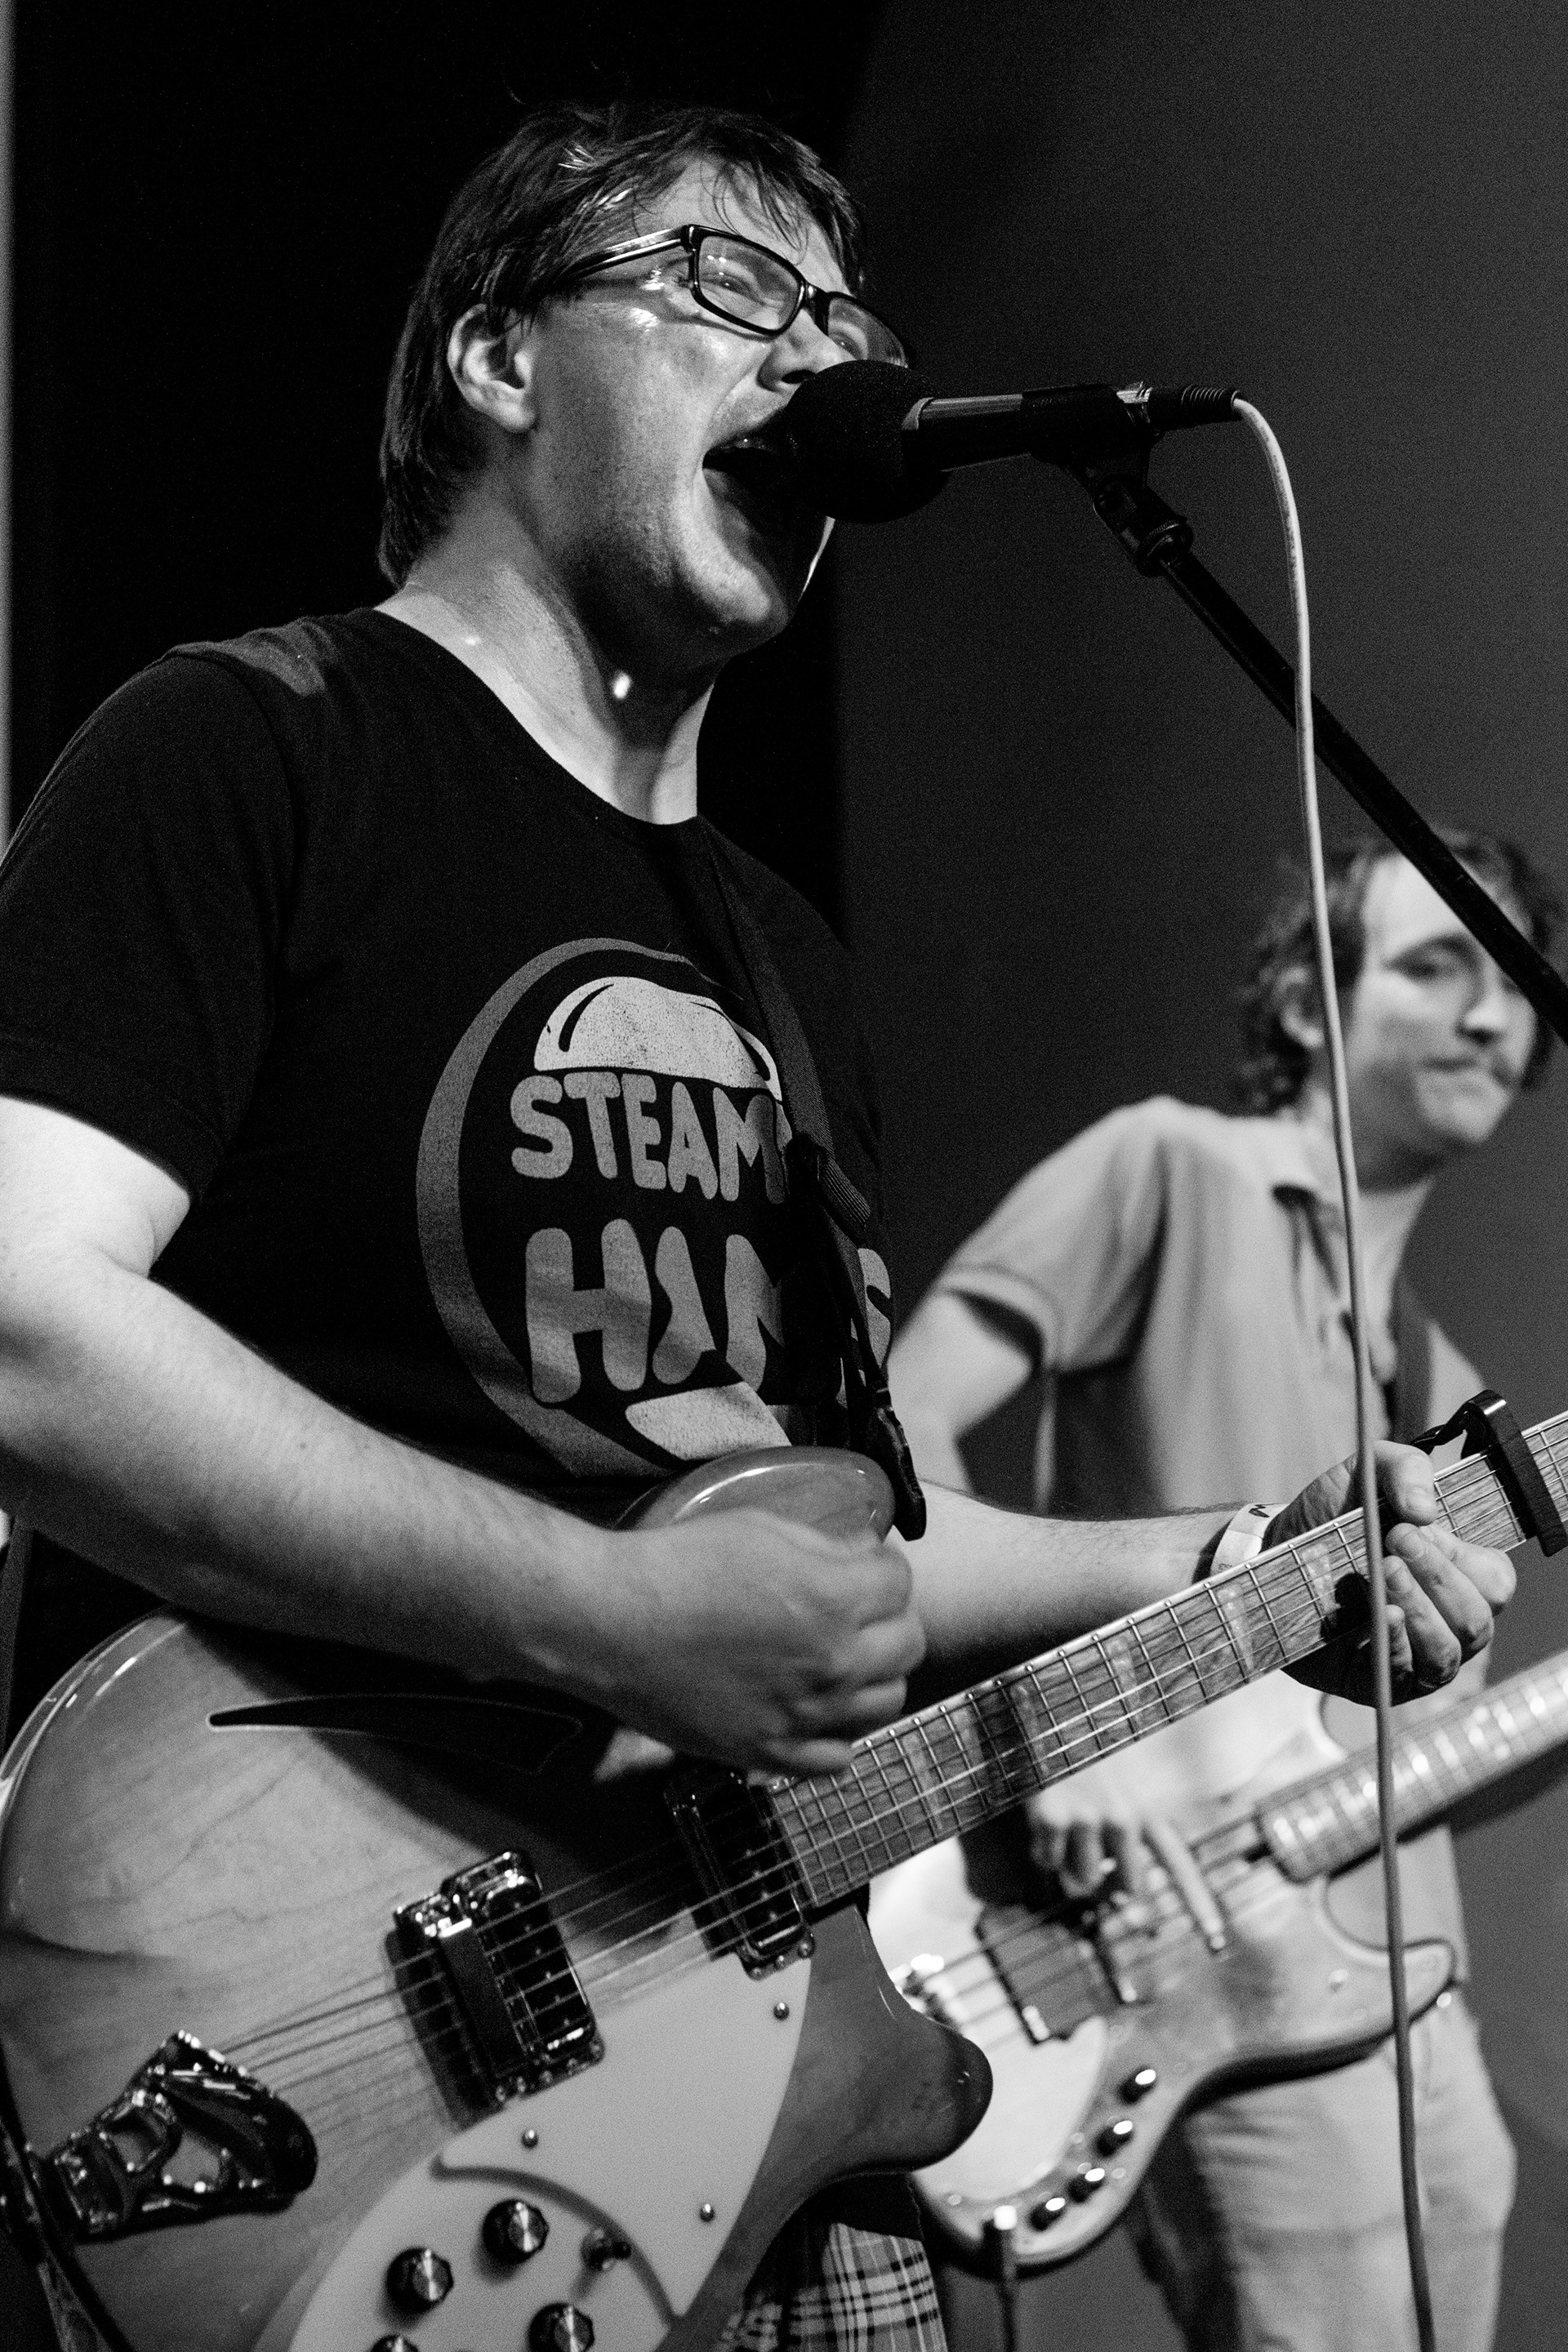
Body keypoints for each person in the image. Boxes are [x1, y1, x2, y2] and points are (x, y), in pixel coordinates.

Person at [0, 102, 1511, 2352]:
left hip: (766, 2087)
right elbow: (23, 1326)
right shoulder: (252, 749)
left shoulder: (785, 967)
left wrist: (1233, 1565)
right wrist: (601, 1611)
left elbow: (839, 1542)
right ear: (499, 358)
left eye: (847, 326)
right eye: (732, 290)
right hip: (319, 2032)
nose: (820, 365)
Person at [888, 833, 1559, 2352]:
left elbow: (1408, 1758)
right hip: (1192, 1974)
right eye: (1437, 965)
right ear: (1310, 1004)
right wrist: (1054, 1741)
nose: (1490, 1013)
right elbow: (897, 1440)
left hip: (1401, 1990)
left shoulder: (1440, 1381)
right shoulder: (1167, 1167)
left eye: (1512, 982)